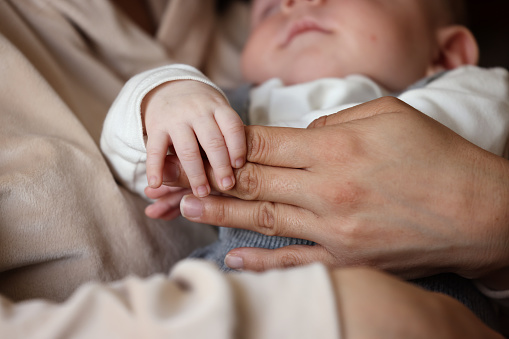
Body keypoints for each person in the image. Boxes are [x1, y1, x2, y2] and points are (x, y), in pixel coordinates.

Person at [101, 0, 509, 271]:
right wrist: (168, 95)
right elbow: (145, 171)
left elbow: (466, 136)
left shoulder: (472, 93)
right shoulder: (231, 111)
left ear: (446, 55)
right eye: (270, 9)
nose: (294, 3)